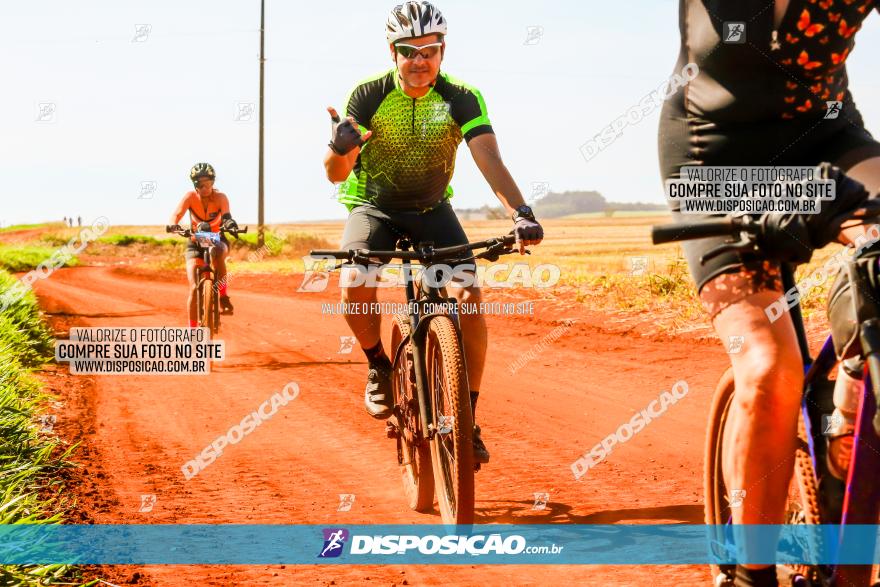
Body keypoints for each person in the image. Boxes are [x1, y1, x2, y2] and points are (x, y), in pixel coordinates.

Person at [659, 1, 880, 585]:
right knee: (770, 365)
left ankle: (851, 421)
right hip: (716, 159)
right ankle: (750, 574)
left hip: (829, 142)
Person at [323, 1, 543, 464]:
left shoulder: (463, 97)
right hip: (374, 207)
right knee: (353, 282)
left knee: (469, 297)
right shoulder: (367, 95)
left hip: (432, 208)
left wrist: (520, 212)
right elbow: (335, 175)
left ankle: (467, 419)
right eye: (409, 50)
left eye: (430, 49)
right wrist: (338, 148)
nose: (420, 59)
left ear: (443, 51)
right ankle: (379, 366)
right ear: (393, 51)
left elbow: (489, 159)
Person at [168, 163, 238, 326]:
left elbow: (227, 216)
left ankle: (223, 296)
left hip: (217, 239)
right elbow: (176, 215)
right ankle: (192, 332)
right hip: (195, 243)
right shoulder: (190, 197)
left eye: (209, 183)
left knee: (218, 253)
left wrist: (230, 224)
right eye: (201, 184)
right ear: (195, 185)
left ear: (213, 182)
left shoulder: (221, 198)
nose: (205, 188)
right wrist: (173, 225)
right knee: (193, 289)